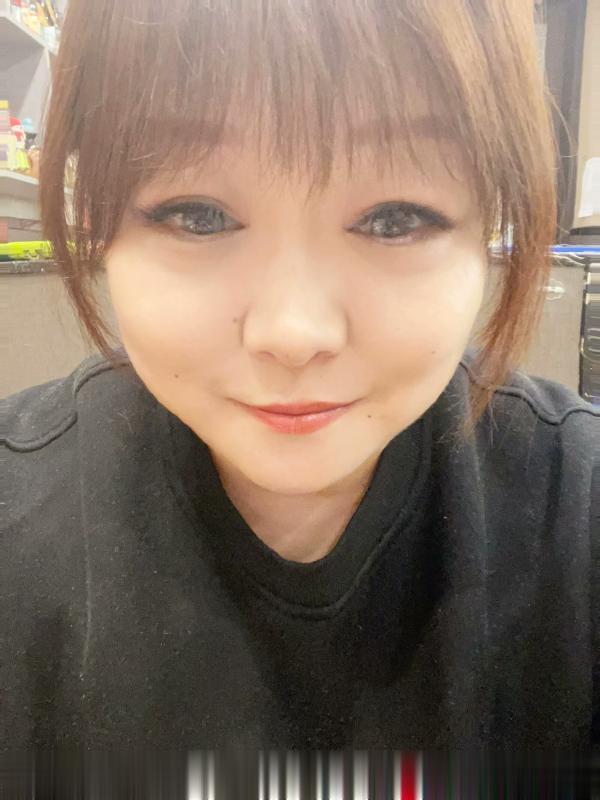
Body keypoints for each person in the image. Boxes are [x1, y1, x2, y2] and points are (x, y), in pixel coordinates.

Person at [1, 0, 598, 749]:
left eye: (394, 217)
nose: (292, 333)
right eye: (198, 215)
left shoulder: (578, 520)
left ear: (490, 227)